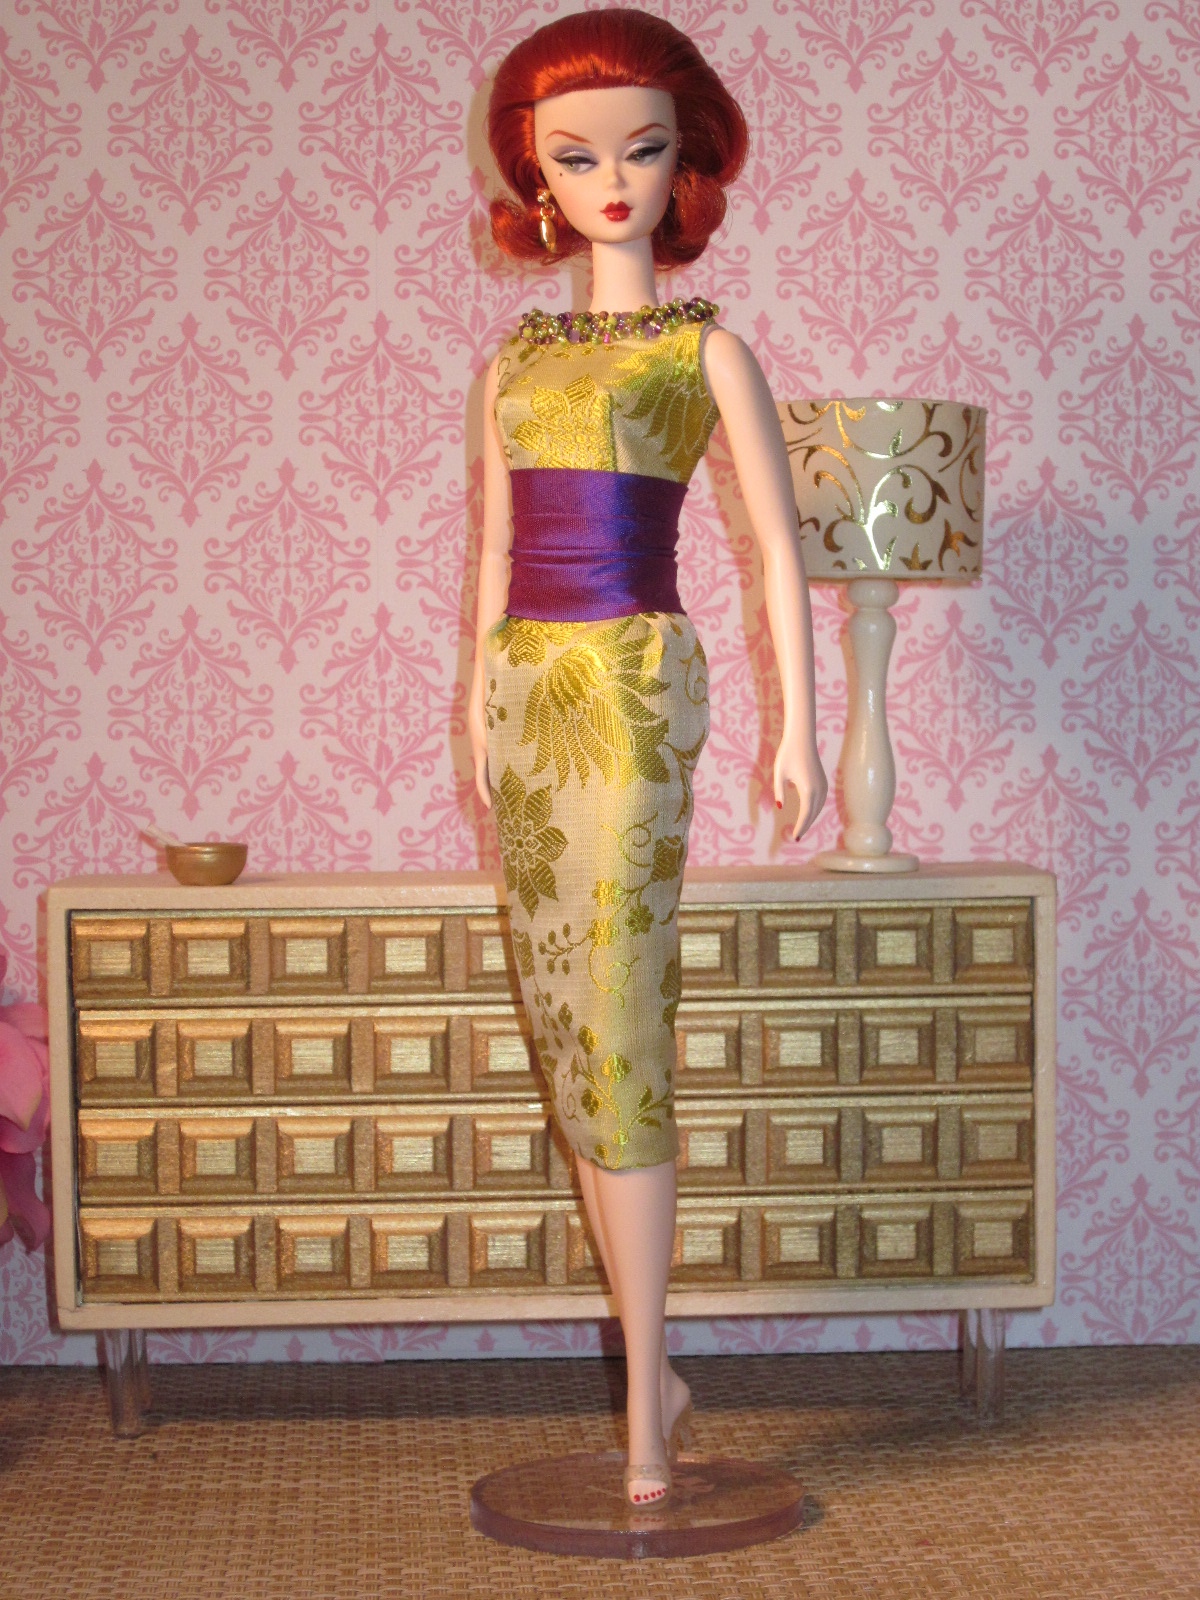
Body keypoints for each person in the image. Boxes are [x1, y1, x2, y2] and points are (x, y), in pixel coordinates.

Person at [468, 8, 826, 1508]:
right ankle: (651, 1374)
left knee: (618, 1014)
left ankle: (641, 1402)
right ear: (537, 179)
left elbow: (776, 550)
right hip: (524, 692)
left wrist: (800, 724)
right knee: (570, 1025)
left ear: (686, 166)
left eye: (642, 149)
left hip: (628, 688)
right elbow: (496, 554)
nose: (611, 181)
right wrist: (472, 714)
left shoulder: (704, 347)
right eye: (576, 156)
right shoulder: (516, 356)